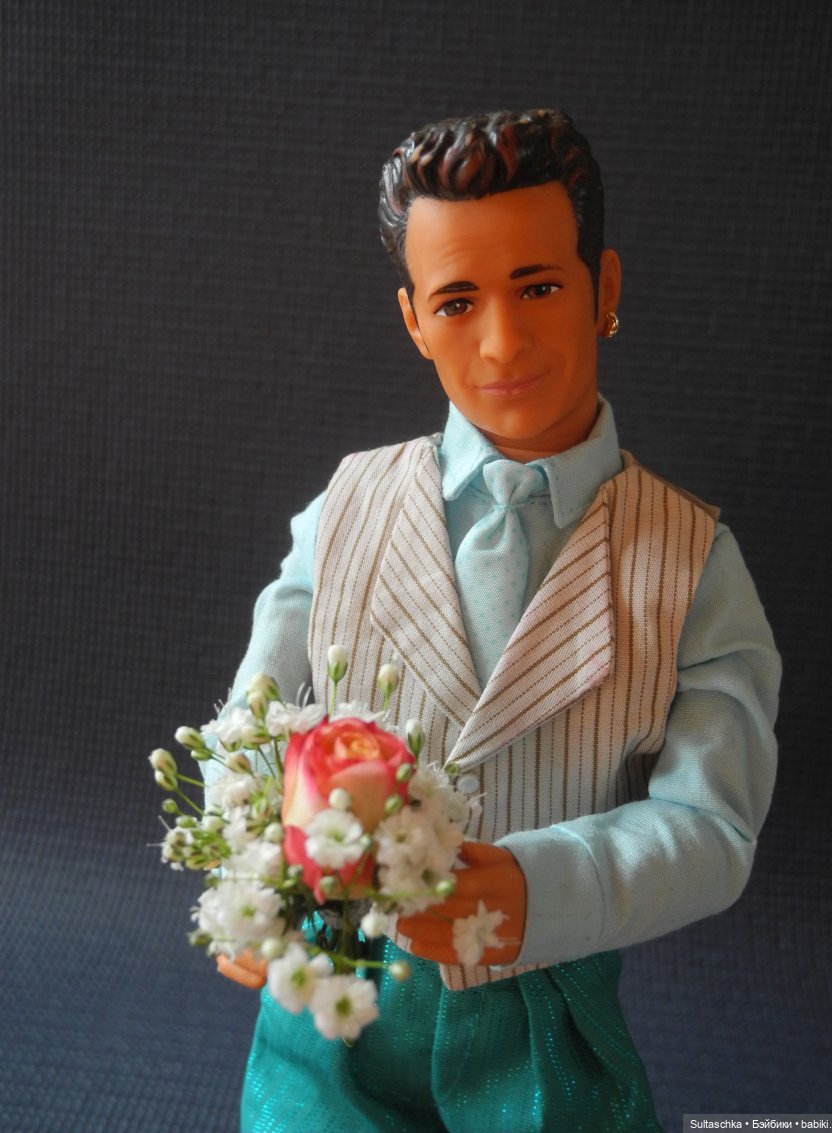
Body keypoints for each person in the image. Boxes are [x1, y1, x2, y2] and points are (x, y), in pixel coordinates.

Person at [216, 109, 780, 1132]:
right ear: (413, 320)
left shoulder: (690, 560)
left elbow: (712, 823)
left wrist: (539, 888)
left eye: (539, 287)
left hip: (539, 1015)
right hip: (335, 988)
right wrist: (252, 875)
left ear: (604, 289)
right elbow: (253, 719)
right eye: (457, 300)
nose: (503, 341)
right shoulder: (344, 511)